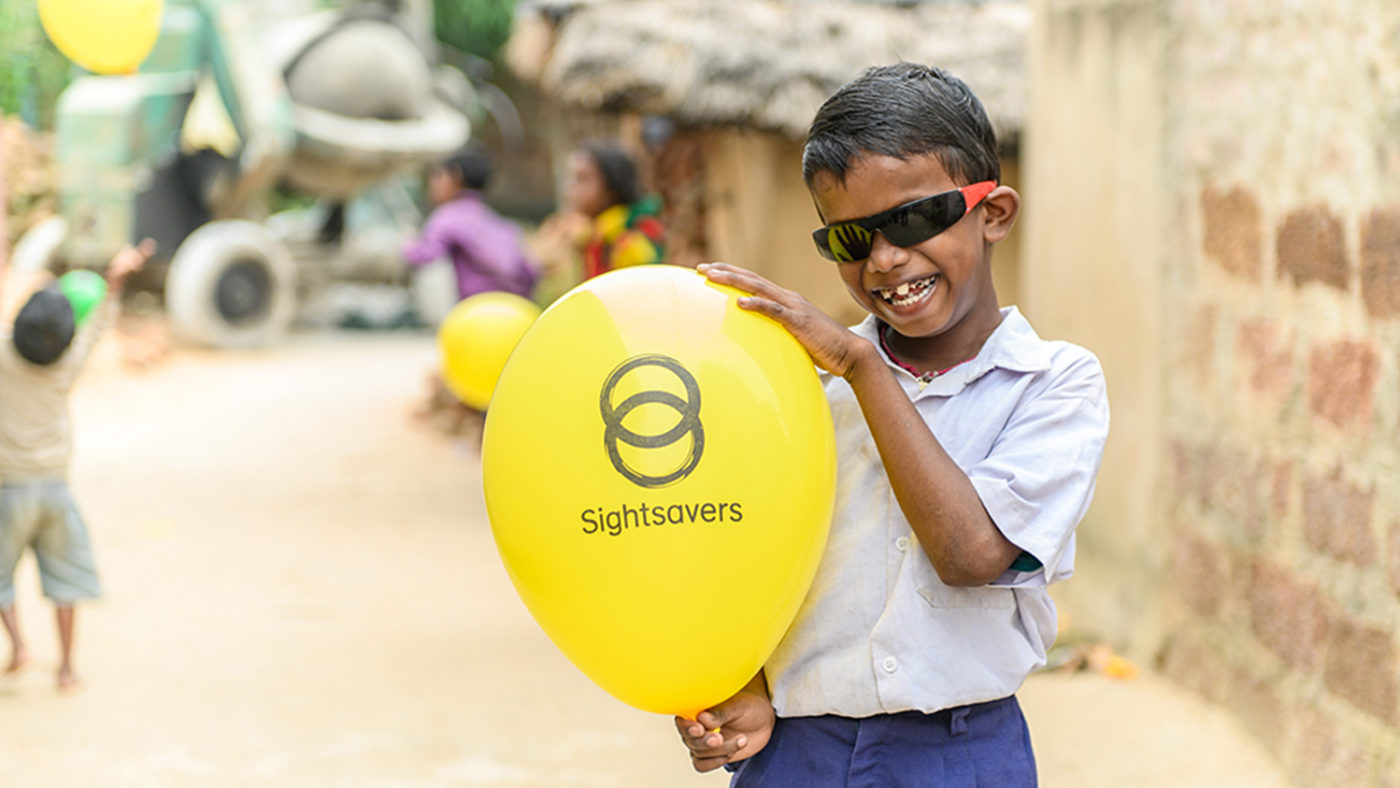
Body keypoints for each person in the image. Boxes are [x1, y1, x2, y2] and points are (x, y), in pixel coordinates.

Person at [674, 63, 1110, 786]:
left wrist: (863, 368)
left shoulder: (1055, 384)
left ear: (993, 213)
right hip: (799, 751)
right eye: (849, 240)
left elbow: (971, 554)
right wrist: (743, 684)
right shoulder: (801, 389)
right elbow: (736, 552)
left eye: (913, 220)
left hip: (963, 751)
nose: (885, 259)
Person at [0, 240, 153, 691]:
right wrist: (117, 275)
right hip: (55, 489)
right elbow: (99, 322)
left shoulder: (4, 358)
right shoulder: (68, 363)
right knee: (65, 580)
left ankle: (20, 646)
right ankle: (67, 668)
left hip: (7, 489)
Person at [402, 145, 539, 302]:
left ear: (455, 177)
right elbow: (530, 273)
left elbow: (422, 256)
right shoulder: (500, 223)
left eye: (438, 176)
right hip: (515, 309)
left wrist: (409, 243)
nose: (432, 185)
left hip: (477, 313)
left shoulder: (448, 217)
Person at [566, 141, 666, 279]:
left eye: (584, 179)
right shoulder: (594, 235)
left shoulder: (632, 236)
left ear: (612, 187)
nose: (572, 188)